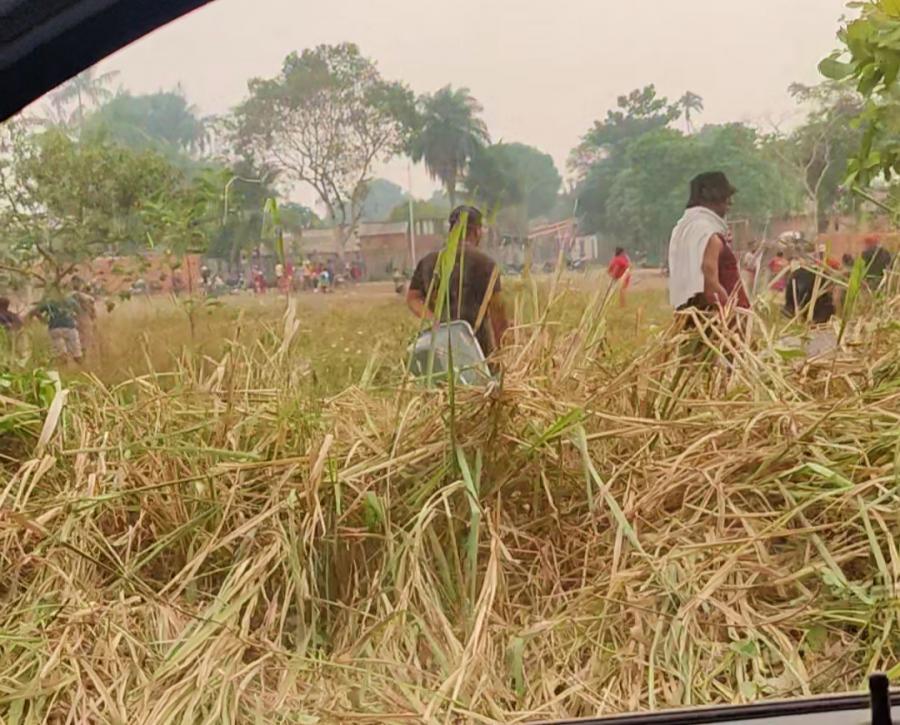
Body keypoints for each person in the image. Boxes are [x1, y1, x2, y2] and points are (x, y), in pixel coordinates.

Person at [407, 205, 509, 357]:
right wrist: (502, 352)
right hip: (477, 349)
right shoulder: (486, 264)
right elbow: (498, 314)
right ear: (477, 231)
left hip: (439, 348)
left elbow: (413, 298)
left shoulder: (429, 262)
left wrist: (433, 320)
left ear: (451, 230)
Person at [668, 171, 749, 315]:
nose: (730, 202)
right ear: (714, 197)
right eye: (726, 197)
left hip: (691, 317)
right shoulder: (708, 233)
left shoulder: (683, 229)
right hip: (714, 320)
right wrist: (730, 316)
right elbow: (710, 286)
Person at [29, 290, 82, 362]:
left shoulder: (49, 302)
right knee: (77, 353)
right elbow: (79, 311)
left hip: (54, 328)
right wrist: (75, 319)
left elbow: (35, 311)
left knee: (60, 353)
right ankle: (80, 368)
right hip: (69, 327)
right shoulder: (71, 301)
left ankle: (63, 368)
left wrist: (43, 320)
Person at [70, 277, 97, 354]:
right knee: (84, 344)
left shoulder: (67, 297)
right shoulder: (89, 299)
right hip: (85, 321)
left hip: (72, 322)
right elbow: (93, 314)